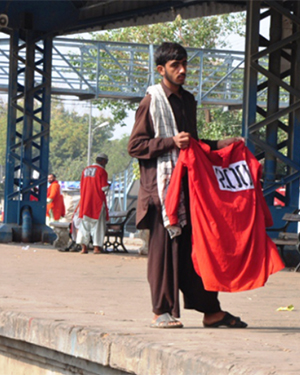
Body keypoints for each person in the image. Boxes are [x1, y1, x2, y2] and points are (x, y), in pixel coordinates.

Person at [127, 42, 244, 329]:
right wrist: (169, 142)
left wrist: (218, 145)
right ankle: (161, 310)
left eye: (184, 64)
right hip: (161, 192)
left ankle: (211, 310)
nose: (182, 70)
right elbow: (135, 146)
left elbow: (192, 143)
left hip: (188, 189)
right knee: (164, 252)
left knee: (196, 249)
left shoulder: (188, 100)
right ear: (160, 69)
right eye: (175, 66)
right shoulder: (151, 101)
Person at [76, 154, 110, 254]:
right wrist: (108, 186)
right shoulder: (102, 171)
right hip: (97, 202)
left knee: (84, 225)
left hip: (85, 201)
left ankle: (84, 247)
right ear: (103, 161)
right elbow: (104, 188)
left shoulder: (85, 170)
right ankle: (96, 248)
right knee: (98, 225)